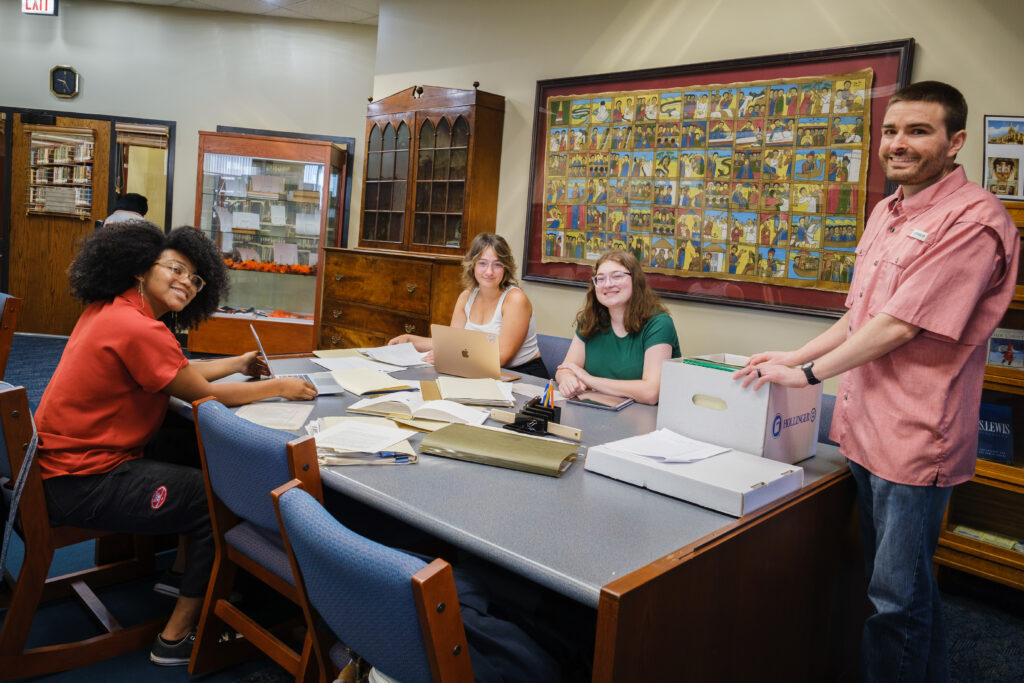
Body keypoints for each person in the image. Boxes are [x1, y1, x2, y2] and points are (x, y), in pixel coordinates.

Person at [733, 81, 1019, 682]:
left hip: (913, 441)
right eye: (891, 131)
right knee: (901, 590)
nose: (899, 144)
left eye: (918, 131)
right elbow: (858, 317)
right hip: (862, 429)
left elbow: (897, 327)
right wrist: (793, 353)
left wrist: (806, 373)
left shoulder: (975, 221)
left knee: (896, 600)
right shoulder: (887, 212)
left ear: (955, 141)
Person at [35, 221, 317, 667]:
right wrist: (279, 386)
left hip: (58, 469)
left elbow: (180, 372)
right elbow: (204, 395)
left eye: (195, 278)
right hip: (82, 481)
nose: (186, 281)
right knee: (213, 498)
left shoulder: (113, 310)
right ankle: (177, 634)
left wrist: (238, 362)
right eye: (176, 269)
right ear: (140, 270)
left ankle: (181, 572)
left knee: (189, 447)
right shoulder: (140, 329)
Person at [388, 233, 546, 378]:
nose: (489, 272)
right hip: (479, 371)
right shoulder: (466, 297)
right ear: (473, 266)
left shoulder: (516, 300)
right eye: (482, 263)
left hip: (523, 376)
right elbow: (453, 343)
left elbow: (501, 357)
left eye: (497, 264)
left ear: (506, 268)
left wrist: (449, 356)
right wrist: (410, 340)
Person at [556, 250, 680, 405]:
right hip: (597, 411)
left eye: (617, 276)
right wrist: (568, 380)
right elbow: (565, 368)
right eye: (600, 279)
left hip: (645, 419)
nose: (608, 284)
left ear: (635, 280)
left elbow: (650, 393)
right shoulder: (590, 319)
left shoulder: (659, 323)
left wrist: (589, 380)